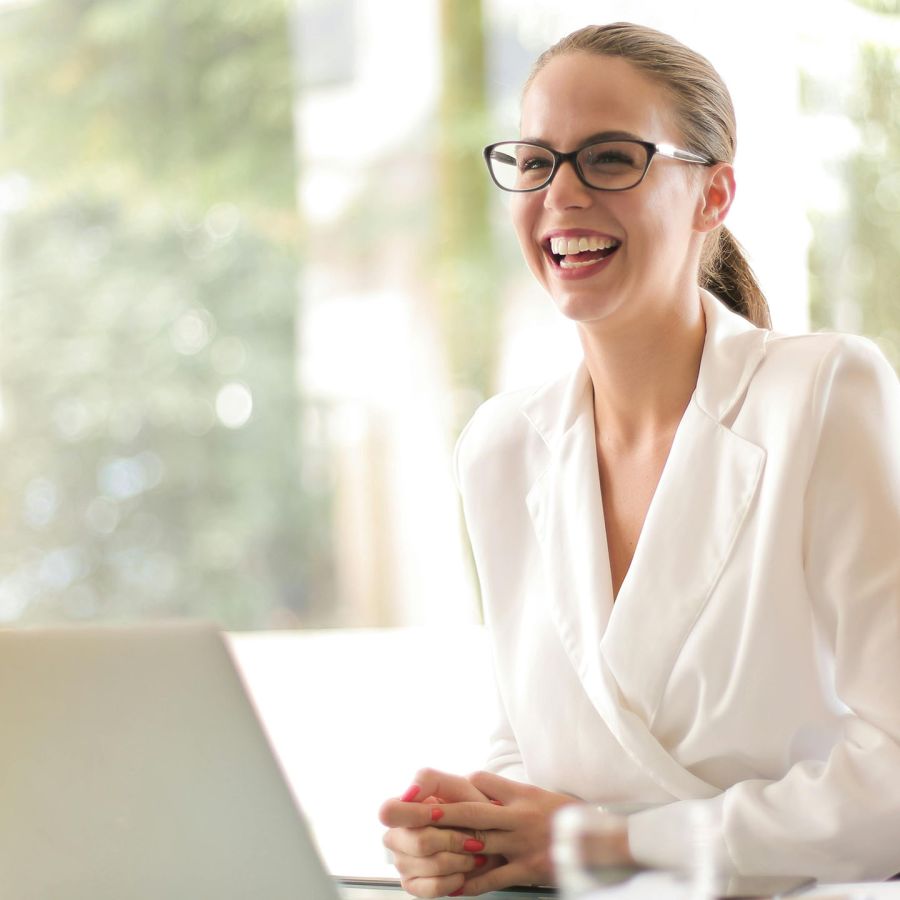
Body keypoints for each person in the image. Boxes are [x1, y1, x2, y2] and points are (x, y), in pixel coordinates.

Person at [379, 21, 900, 898]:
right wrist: (466, 835)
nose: (561, 194)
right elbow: (528, 746)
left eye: (611, 159)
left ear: (712, 194)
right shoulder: (502, 448)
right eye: (536, 161)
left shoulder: (820, 395)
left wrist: (610, 841)